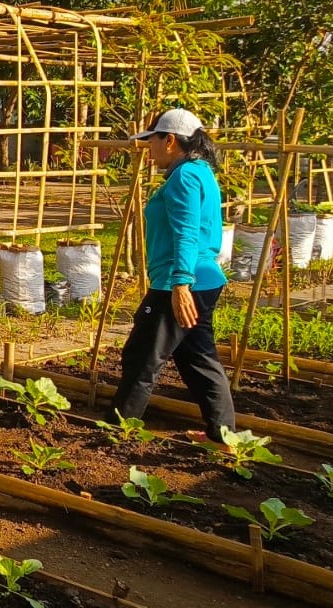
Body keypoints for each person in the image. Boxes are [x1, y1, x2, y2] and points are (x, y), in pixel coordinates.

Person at [108, 109, 236, 443]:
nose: (148, 149)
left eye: (152, 141)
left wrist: (180, 283)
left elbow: (187, 232)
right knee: (198, 358)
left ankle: (117, 431)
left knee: (141, 356)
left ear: (170, 140)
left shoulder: (185, 177)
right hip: (203, 280)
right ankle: (222, 436)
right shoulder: (200, 171)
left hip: (179, 283)